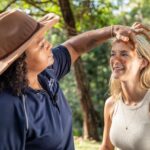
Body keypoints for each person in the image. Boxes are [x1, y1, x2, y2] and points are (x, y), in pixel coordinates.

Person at [0, 9, 132, 150]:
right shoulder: (9, 106)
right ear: (19, 60)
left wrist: (112, 30)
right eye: (40, 44)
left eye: (44, 38)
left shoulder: (46, 73)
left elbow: (74, 47)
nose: (49, 45)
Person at [99, 23, 150, 150]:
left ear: (143, 62)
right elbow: (106, 147)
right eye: (113, 54)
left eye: (124, 54)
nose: (115, 60)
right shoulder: (111, 104)